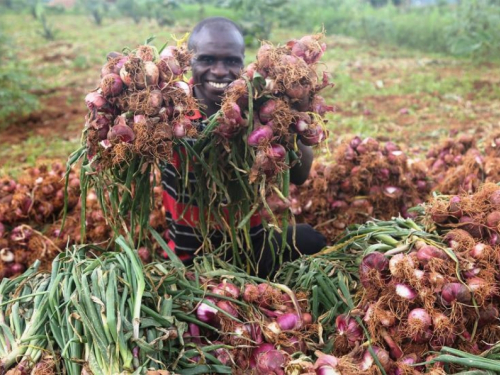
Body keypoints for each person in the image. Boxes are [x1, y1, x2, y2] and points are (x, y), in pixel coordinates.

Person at [160, 17, 326, 278]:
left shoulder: (260, 110)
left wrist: (296, 117)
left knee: (312, 239)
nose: (219, 71)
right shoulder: (168, 112)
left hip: (251, 249)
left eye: (231, 61)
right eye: (207, 59)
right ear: (188, 60)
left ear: (244, 63)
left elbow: (300, 176)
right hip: (190, 261)